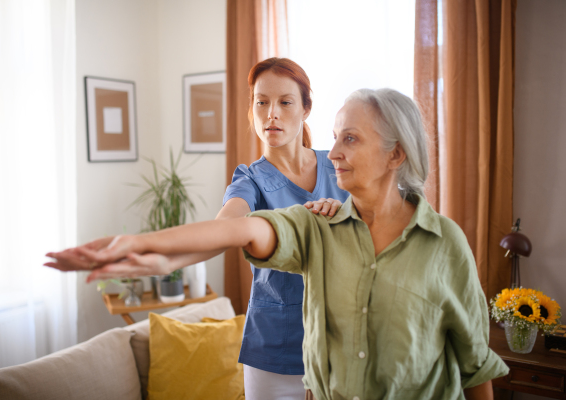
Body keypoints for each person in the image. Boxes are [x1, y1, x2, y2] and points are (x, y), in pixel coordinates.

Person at [47, 88, 508, 399]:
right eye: (335, 138)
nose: (337, 151)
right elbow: (234, 229)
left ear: (396, 153)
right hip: (273, 352)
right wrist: (137, 246)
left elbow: (475, 367)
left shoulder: (445, 243)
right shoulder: (315, 227)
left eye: (350, 138)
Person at [46, 58, 348, 400]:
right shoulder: (249, 179)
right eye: (261, 102)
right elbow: (223, 230)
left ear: (306, 108)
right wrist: (158, 258)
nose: (271, 113)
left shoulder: (338, 166)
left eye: (285, 102)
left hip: (339, 342)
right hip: (274, 347)